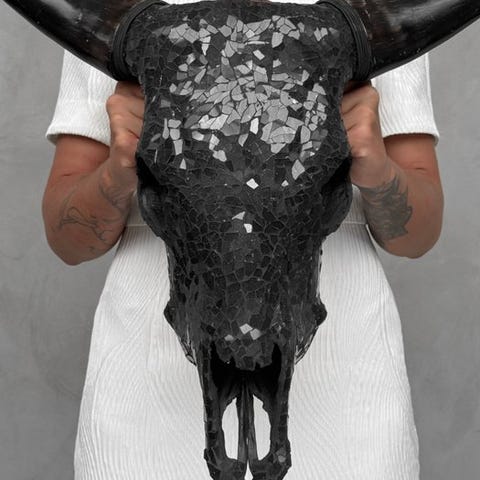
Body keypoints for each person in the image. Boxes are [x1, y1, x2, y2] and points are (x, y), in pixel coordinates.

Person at [42, 2, 442, 478]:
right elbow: (69, 242)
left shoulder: (383, 5)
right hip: (145, 394)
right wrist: (122, 165)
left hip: (348, 392)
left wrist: (375, 167)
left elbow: (417, 238)